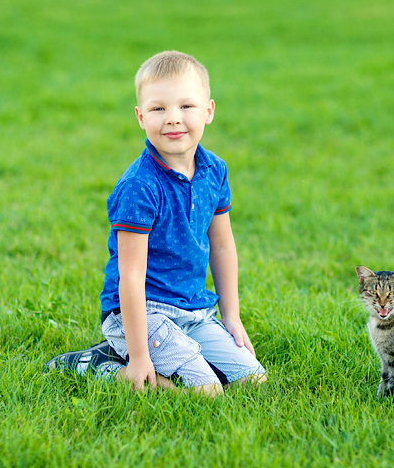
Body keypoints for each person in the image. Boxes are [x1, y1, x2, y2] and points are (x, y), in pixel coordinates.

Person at [45, 51, 266, 396]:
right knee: (207, 393)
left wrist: (231, 316)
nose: (173, 119)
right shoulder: (139, 186)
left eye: (186, 106)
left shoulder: (214, 171)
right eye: (158, 109)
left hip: (193, 310)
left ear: (208, 111)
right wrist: (139, 356)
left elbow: (222, 245)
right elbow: (131, 275)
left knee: (253, 379)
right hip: (142, 313)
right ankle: (104, 367)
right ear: (140, 116)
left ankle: (167, 354)